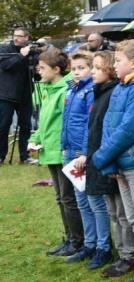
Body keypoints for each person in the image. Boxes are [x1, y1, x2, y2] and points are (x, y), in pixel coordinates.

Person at [89, 40, 134, 282]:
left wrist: (100, 157)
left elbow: (127, 130)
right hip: (119, 162)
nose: (114, 64)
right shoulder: (121, 86)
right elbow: (109, 125)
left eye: (118, 60)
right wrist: (108, 158)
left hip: (133, 162)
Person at [86, 51, 134, 277]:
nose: (92, 72)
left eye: (98, 68)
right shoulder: (105, 92)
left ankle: (130, 255)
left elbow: (122, 130)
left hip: (114, 158)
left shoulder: (116, 92)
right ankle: (123, 253)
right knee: (114, 211)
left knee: (125, 214)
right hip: (106, 159)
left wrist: (101, 157)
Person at [29, 49, 84, 257]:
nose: (38, 71)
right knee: (61, 198)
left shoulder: (65, 91)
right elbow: (45, 122)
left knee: (69, 198)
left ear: (56, 69)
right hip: (50, 151)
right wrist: (35, 140)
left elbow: (69, 124)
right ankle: (70, 237)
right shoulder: (49, 89)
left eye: (42, 68)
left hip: (62, 152)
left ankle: (78, 240)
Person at [61, 52, 103, 265]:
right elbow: (67, 121)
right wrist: (64, 145)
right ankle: (89, 242)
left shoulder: (89, 91)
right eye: (74, 68)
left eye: (82, 68)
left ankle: (99, 245)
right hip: (70, 151)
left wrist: (85, 151)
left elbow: (89, 124)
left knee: (91, 202)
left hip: (81, 153)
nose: (76, 72)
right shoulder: (72, 89)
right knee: (81, 202)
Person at [0, 26, 37, 164]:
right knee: (3, 126)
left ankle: (25, 156)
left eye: (20, 36)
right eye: (15, 35)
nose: (16, 38)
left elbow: (36, 73)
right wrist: (21, 56)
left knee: (26, 126)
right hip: (6, 94)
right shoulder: (4, 49)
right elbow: (6, 66)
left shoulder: (31, 51)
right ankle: (1, 155)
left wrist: (35, 59)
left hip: (25, 94)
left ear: (26, 38)